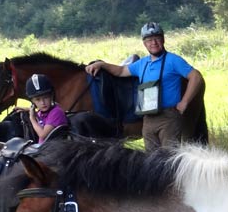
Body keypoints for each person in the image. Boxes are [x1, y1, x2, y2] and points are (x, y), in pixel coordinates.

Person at [85, 22, 204, 151]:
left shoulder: (173, 60)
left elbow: (196, 77)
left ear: (163, 39)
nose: (153, 42)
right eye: (149, 40)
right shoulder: (142, 63)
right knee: (151, 159)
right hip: (148, 119)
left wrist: (185, 102)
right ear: (144, 43)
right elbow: (121, 71)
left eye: (157, 38)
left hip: (168, 116)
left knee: (169, 157)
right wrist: (101, 64)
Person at [25, 74, 69, 144]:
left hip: (55, 149)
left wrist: (32, 119)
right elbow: (41, 119)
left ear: (51, 96)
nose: (42, 103)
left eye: (45, 97)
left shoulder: (56, 112)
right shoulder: (41, 113)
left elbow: (43, 135)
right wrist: (30, 111)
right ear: (33, 101)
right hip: (45, 149)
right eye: (38, 100)